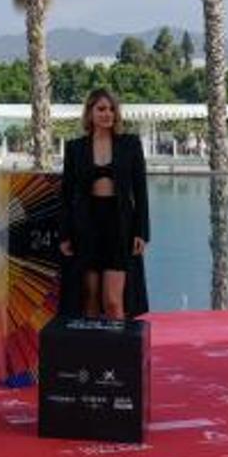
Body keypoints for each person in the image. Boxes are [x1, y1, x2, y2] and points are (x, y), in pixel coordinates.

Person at [59, 88, 149, 319]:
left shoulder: (130, 145)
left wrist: (141, 232)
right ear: (90, 113)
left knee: (112, 301)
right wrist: (65, 235)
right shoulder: (75, 148)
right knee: (89, 297)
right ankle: (92, 354)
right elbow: (67, 195)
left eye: (111, 109)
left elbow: (140, 191)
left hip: (119, 225)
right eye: (101, 109)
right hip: (87, 226)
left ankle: (118, 354)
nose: (107, 114)